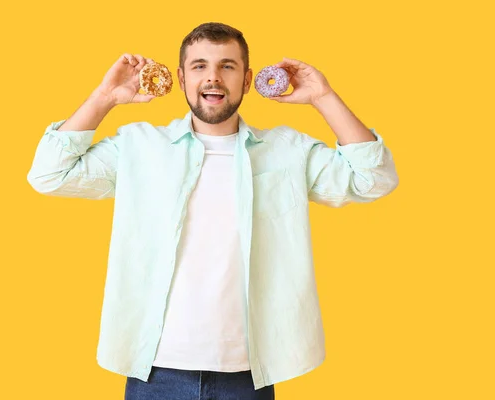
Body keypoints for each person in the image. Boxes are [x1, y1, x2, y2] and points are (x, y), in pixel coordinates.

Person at [27, 22, 399, 400]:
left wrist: (324, 97)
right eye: (200, 66)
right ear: (181, 77)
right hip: (155, 372)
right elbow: (48, 174)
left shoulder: (287, 151)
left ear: (248, 79)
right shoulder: (138, 147)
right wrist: (105, 96)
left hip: (247, 375)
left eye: (228, 66)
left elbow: (375, 178)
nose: (213, 78)